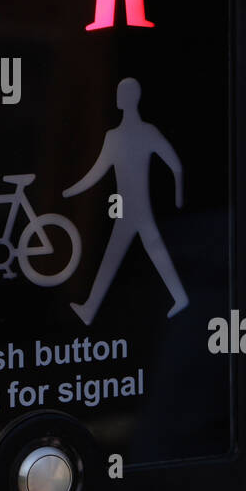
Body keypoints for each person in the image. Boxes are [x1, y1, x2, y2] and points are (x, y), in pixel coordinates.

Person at [64, 77, 188, 324]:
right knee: (152, 250)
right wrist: (178, 198)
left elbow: (96, 174)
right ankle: (179, 297)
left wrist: (72, 192)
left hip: (132, 210)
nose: (119, 97)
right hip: (131, 210)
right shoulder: (136, 133)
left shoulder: (119, 136)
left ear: (128, 98)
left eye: (122, 93)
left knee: (129, 254)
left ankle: (90, 309)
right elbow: (176, 166)